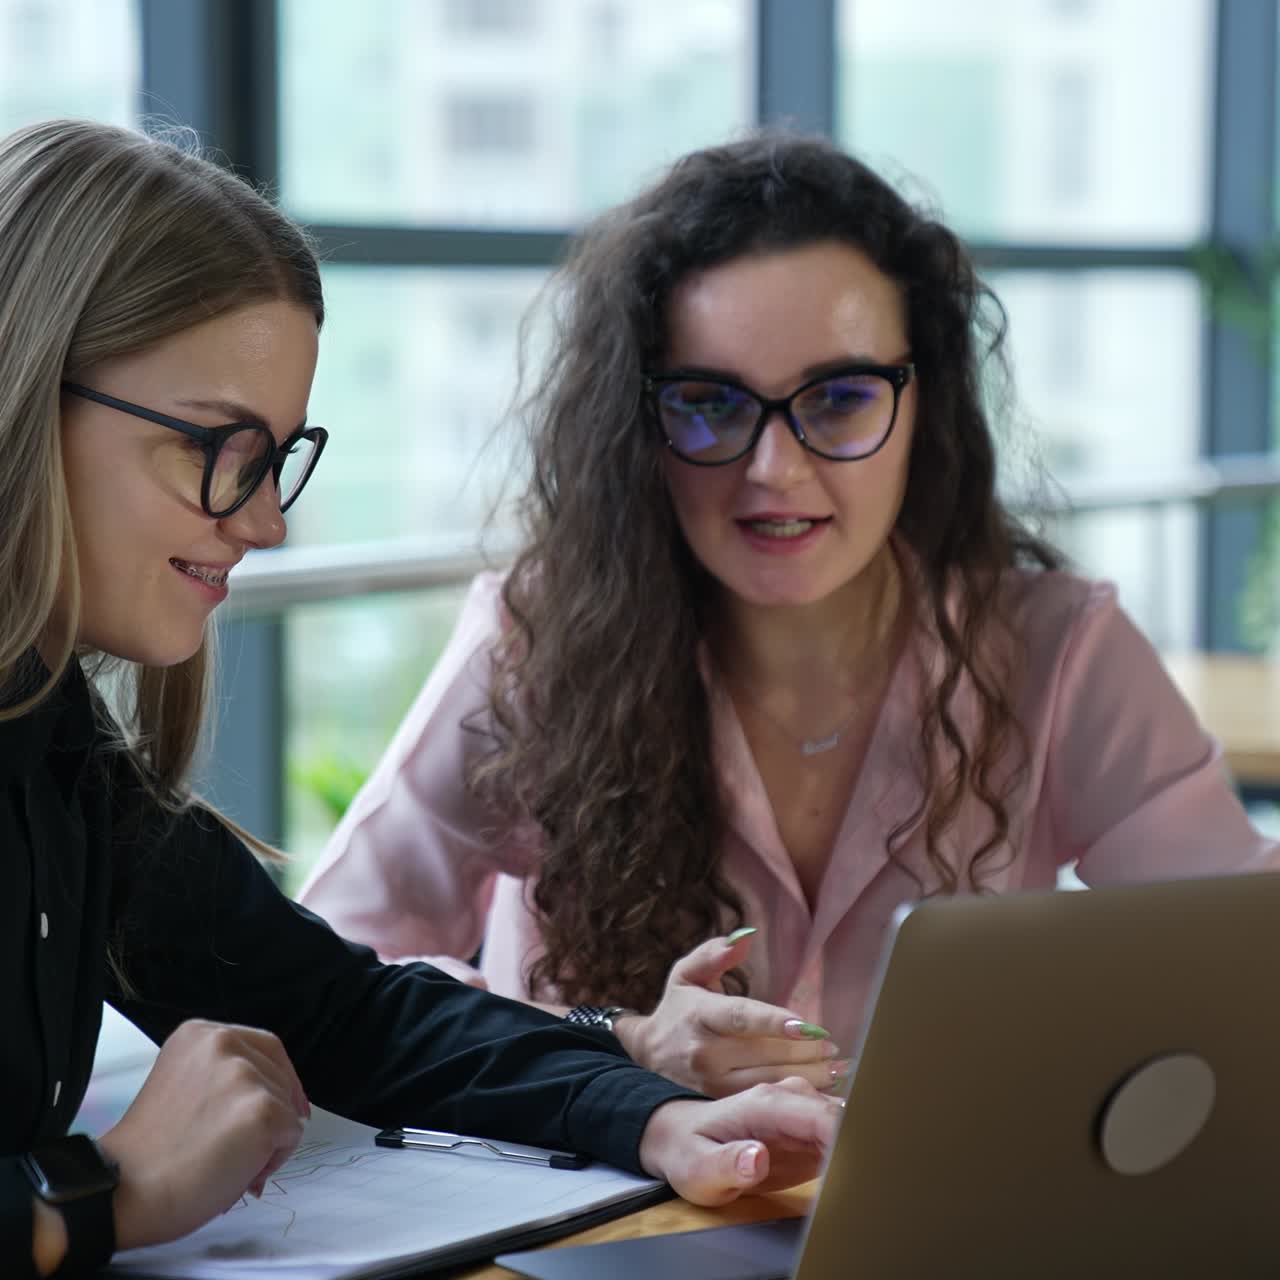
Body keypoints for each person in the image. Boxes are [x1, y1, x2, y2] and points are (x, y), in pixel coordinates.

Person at [0, 119, 844, 1280]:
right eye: (219, 447)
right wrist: (93, 1198)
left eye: (277, 458)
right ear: (27, 392)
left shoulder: (49, 743)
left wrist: (643, 1110)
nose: (262, 520)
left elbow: (340, 1007)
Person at [300, 130, 1279, 1099]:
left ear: (922, 406)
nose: (775, 468)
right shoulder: (535, 642)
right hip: (599, 1233)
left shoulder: (1053, 648)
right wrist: (619, 1040)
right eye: (708, 404)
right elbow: (318, 982)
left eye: (841, 397)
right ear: (639, 427)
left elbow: (1242, 960)